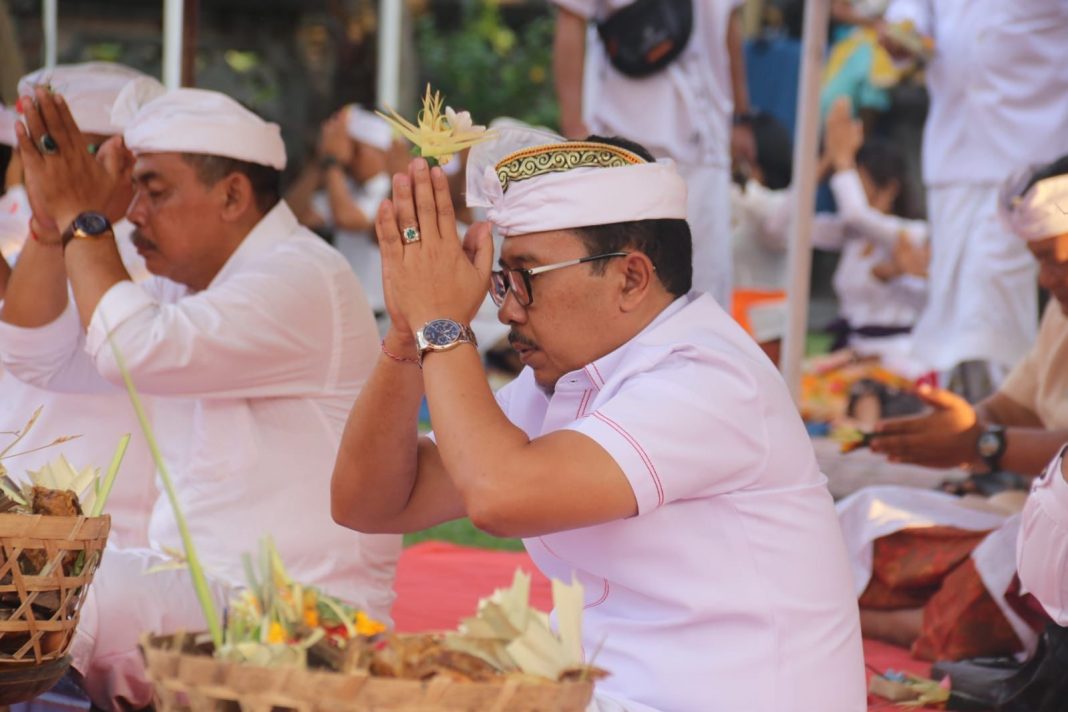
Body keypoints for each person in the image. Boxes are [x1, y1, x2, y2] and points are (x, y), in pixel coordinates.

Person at [331, 128, 865, 711]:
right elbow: (370, 503)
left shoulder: (708, 377)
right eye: (501, 280)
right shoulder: (565, 379)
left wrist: (442, 322)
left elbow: (499, 495)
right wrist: (410, 332)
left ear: (631, 278)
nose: (507, 308)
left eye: (526, 278)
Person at [2, 84, 401, 708]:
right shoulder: (189, 286)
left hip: (299, 621)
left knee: (61, 588)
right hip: (201, 596)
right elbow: (37, 356)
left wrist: (87, 217)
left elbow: (131, 348)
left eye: (154, 191)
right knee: (31, 574)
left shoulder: (300, 277)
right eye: (131, 194)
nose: (135, 213)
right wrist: (55, 227)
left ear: (233, 195)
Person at [837, 154, 1068, 662]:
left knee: (1001, 568)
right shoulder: (1061, 310)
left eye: (1057, 259)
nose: (1047, 279)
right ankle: (895, 617)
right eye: (1039, 260)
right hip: (1025, 518)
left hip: (1053, 539)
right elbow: (1017, 406)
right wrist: (953, 428)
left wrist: (981, 445)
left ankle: (869, 623)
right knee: (862, 520)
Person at [0, 62, 160, 549]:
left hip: (119, 520)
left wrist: (64, 223)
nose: (41, 166)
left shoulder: (155, 244)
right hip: (19, 506)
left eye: (55, 148)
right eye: (34, 146)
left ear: (119, 154)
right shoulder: (28, 222)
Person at [881, 0, 1068, 399]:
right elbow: (909, 13)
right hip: (953, 156)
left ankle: (1011, 430)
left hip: (1036, 156)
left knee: (996, 297)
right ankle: (971, 431)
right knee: (953, 303)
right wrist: (902, 34)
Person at [553, 0, 754, 308]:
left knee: (707, 285)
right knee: (627, 283)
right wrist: (575, 130)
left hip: (708, 142)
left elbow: (729, 27)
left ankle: (701, 356)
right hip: (626, 144)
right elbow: (571, 19)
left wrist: (740, 116)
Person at [287, 104, 393, 329]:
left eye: (355, 150)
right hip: (348, 318)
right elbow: (292, 216)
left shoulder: (391, 191)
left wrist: (333, 163)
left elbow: (348, 219)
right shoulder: (346, 190)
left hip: (380, 323)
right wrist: (320, 162)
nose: (349, 159)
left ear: (372, 151)